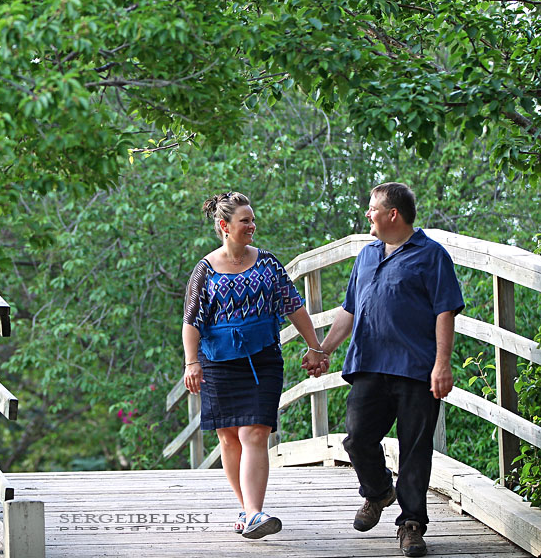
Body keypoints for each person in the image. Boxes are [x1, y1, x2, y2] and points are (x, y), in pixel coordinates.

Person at [321, 182, 464, 557]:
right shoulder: (366, 256)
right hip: (369, 364)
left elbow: (444, 311)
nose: (368, 214)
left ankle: (412, 525)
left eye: (373, 208)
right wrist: (323, 350)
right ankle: (379, 490)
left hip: (417, 369)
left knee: (415, 449)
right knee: (356, 437)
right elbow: (349, 311)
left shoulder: (432, 255)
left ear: (392, 214)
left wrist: (442, 364)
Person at [182, 191, 328, 540]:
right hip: (218, 364)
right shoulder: (204, 270)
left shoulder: (268, 265)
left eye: (252, 219)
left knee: (254, 433)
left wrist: (315, 346)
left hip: (262, 360)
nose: (252, 226)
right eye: (245, 220)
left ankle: (254, 511)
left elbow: (294, 306)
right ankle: (247, 509)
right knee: (229, 438)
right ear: (224, 226)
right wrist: (191, 363)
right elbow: (191, 322)